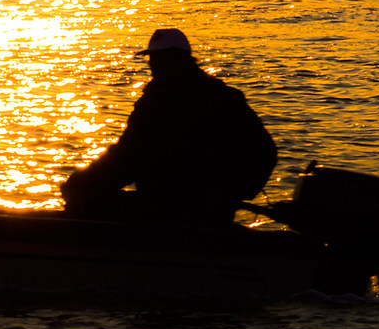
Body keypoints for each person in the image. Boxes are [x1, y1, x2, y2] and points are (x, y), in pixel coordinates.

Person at [61, 29, 276, 226]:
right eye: (152, 59)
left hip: (168, 212)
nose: (155, 65)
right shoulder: (222, 97)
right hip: (199, 211)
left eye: (162, 58)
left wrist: (81, 184)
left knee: (89, 201)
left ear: (180, 59)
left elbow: (127, 157)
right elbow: (127, 156)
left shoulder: (162, 104)